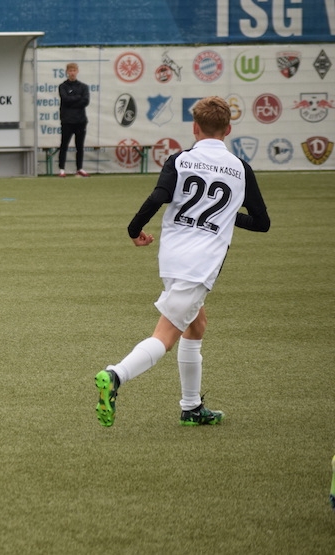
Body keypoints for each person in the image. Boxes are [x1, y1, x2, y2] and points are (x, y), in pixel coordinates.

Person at [94, 96, 270, 428]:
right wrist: (227, 216)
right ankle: (115, 375)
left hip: (172, 256)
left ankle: (191, 408)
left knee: (196, 324)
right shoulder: (240, 169)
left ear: (194, 127)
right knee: (165, 336)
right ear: (228, 129)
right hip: (200, 265)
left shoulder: (180, 160)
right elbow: (262, 223)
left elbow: (159, 197)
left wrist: (134, 229)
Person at [57, 62, 90, 177]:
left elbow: (85, 101)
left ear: (77, 72)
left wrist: (73, 101)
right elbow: (65, 99)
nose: (72, 73)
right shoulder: (63, 86)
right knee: (64, 145)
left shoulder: (83, 87)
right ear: (67, 72)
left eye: (74, 71)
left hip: (80, 120)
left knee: (79, 146)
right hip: (67, 121)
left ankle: (79, 168)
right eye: (70, 71)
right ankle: (62, 169)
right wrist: (78, 98)